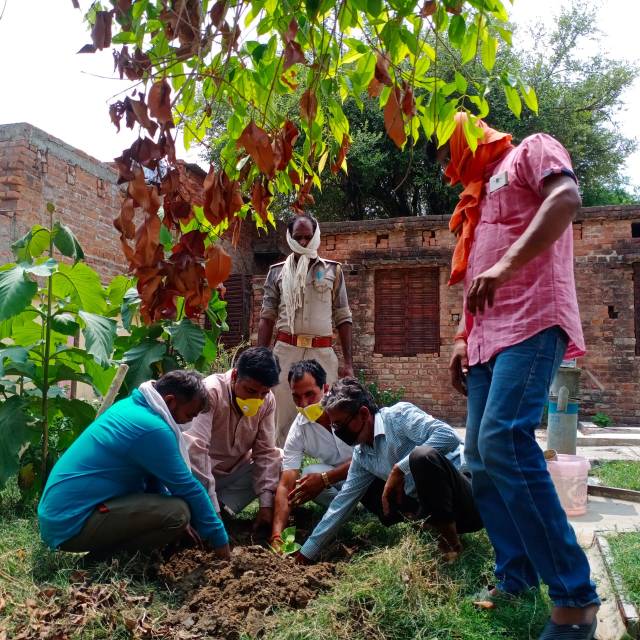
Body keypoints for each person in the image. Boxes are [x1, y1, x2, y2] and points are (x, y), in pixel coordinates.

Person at [442, 112, 599, 639]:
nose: (446, 165)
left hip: (532, 318)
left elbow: (565, 199)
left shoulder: (531, 149)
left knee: (504, 440)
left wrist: (506, 266)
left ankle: (575, 599)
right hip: (485, 337)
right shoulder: (477, 194)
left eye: (447, 150)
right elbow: (476, 273)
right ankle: (516, 576)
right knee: (479, 457)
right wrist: (462, 336)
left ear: (467, 134)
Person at [38, 370, 230, 559]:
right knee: (177, 513)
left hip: (60, 515)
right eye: (189, 415)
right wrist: (219, 539)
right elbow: (187, 486)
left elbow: (153, 477)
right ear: (170, 401)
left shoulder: (132, 406)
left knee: (174, 510)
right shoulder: (152, 428)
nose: (190, 422)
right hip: (71, 524)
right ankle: (100, 562)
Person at [295, 378, 483, 563]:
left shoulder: (398, 417)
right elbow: (341, 504)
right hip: (433, 508)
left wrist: (399, 469)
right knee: (367, 489)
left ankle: (451, 545)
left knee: (421, 457)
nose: (337, 431)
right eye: (334, 425)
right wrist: (306, 553)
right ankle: (431, 528)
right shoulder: (362, 455)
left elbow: (448, 436)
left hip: (469, 499)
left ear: (363, 413)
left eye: (340, 424)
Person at [270, 360, 399, 551]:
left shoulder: (349, 410)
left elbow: (370, 454)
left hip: (377, 472)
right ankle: (349, 510)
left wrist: (325, 479)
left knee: (323, 477)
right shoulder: (299, 429)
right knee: (308, 475)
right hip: (343, 480)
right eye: (296, 397)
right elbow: (285, 483)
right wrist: (276, 534)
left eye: (310, 394)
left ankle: (365, 506)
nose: (303, 404)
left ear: (325, 388)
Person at [257, 213, 354, 446]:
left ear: (316, 236)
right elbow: (267, 317)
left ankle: (326, 464)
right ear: (289, 237)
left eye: (307, 237)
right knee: (281, 416)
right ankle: (282, 463)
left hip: (322, 353)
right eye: (298, 237)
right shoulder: (277, 272)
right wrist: (260, 359)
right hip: (286, 351)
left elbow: (343, 317)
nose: (303, 242)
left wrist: (348, 363)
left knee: (326, 413)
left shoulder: (333, 271)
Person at [184, 346, 282, 533]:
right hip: (198, 473)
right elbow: (196, 450)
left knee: (279, 458)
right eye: (250, 390)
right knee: (192, 463)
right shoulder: (211, 391)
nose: (257, 399)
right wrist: (211, 508)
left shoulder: (268, 400)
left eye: (263, 393)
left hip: (233, 471)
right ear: (236, 375)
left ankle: (223, 507)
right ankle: (209, 507)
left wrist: (266, 505)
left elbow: (265, 452)